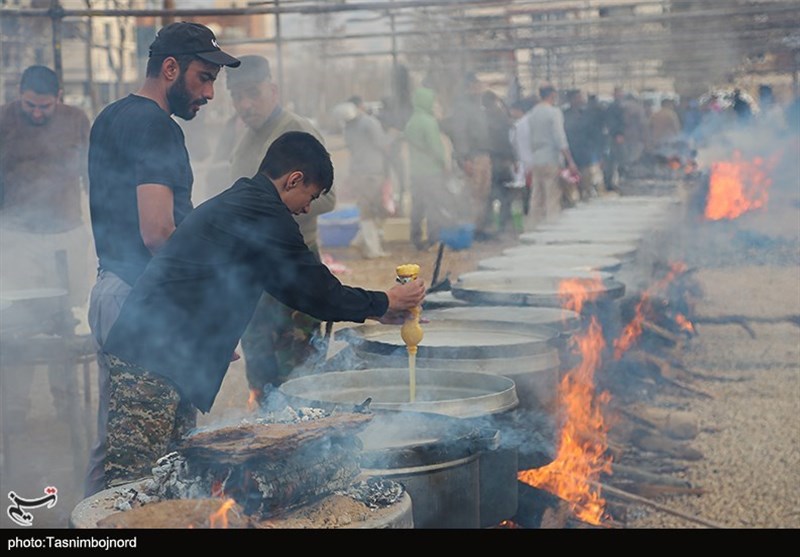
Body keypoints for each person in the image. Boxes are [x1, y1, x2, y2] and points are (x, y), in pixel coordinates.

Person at [97, 131, 426, 488]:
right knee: (132, 483)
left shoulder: (247, 203)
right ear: (294, 179)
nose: (305, 209)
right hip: (150, 356)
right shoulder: (263, 212)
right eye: (310, 197)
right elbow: (315, 289)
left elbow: (286, 287)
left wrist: (215, 338)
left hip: (169, 355)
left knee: (168, 477)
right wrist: (384, 301)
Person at [83, 21, 240, 497]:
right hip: (144, 304)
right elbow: (157, 232)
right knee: (139, 466)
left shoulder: (111, 117)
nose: (210, 93)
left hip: (117, 291)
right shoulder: (157, 128)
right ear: (170, 68)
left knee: (125, 450)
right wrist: (206, 312)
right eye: (203, 77)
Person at [223, 54, 337, 398]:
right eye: (237, 96)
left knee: (299, 377)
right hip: (254, 274)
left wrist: (269, 213)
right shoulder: (243, 140)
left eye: (253, 93)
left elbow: (328, 199)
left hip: (293, 271)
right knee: (261, 375)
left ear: (272, 89)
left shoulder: (294, 131)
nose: (245, 104)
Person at [0, 65, 91, 427]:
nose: (36, 113)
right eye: (30, 106)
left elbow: (91, 176)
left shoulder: (77, 120)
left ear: (59, 99)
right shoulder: (4, 120)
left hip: (66, 235)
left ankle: (66, 407)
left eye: (44, 107)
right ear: (19, 96)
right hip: (19, 237)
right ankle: (16, 412)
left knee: (62, 322)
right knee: (20, 324)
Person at [442, 72, 493, 241]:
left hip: (483, 155)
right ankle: (470, 230)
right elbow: (460, 134)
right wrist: (465, 159)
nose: (479, 89)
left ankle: (479, 228)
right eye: (476, 85)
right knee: (473, 195)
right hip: (473, 158)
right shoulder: (462, 108)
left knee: (482, 194)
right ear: (469, 87)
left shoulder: (478, 107)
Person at [343, 95, 392, 258]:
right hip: (372, 172)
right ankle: (372, 249)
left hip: (357, 172)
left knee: (367, 208)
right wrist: (392, 137)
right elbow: (382, 143)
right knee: (372, 210)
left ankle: (359, 241)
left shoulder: (347, 126)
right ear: (361, 105)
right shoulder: (370, 122)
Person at [523, 84, 578, 227]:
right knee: (552, 196)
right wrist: (570, 161)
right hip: (550, 158)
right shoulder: (554, 113)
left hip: (536, 159)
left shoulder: (532, 114)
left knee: (536, 196)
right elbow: (560, 138)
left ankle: (533, 226)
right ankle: (552, 227)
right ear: (552, 95)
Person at [403, 83, 448, 251]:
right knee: (433, 206)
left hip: (416, 172)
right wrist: (444, 164)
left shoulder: (411, 122)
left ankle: (415, 238)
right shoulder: (429, 122)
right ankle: (433, 238)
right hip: (431, 171)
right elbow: (435, 147)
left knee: (417, 207)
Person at [481, 90, 517, 234]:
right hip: (501, 161)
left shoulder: (482, 118)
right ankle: (502, 226)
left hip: (489, 160)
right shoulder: (499, 117)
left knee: (490, 195)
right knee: (505, 194)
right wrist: (513, 159)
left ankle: (487, 225)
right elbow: (506, 141)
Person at [602, 86, 626, 192]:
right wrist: (618, 134)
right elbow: (613, 123)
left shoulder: (619, 106)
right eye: (618, 93)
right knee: (613, 160)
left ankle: (612, 182)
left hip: (616, 136)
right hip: (614, 137)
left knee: (615, 160)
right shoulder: (614, 107)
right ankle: (610, 183)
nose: (620, 95)